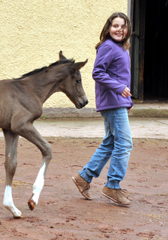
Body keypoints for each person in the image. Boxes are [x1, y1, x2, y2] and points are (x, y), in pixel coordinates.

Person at [72, 12, 134, 205]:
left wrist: (127, 101)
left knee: (110, 143)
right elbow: (97, 73)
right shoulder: (108, 46)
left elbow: (122, 77)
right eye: (115, 26)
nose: (119, 30)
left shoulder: (121, 48)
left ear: (127, 30)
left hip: (118, 102)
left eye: (123, 26)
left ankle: (84, 177)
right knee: (124, 143)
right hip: (113, 102)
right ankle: (112, 185)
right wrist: (119, 90)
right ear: (108, 28)